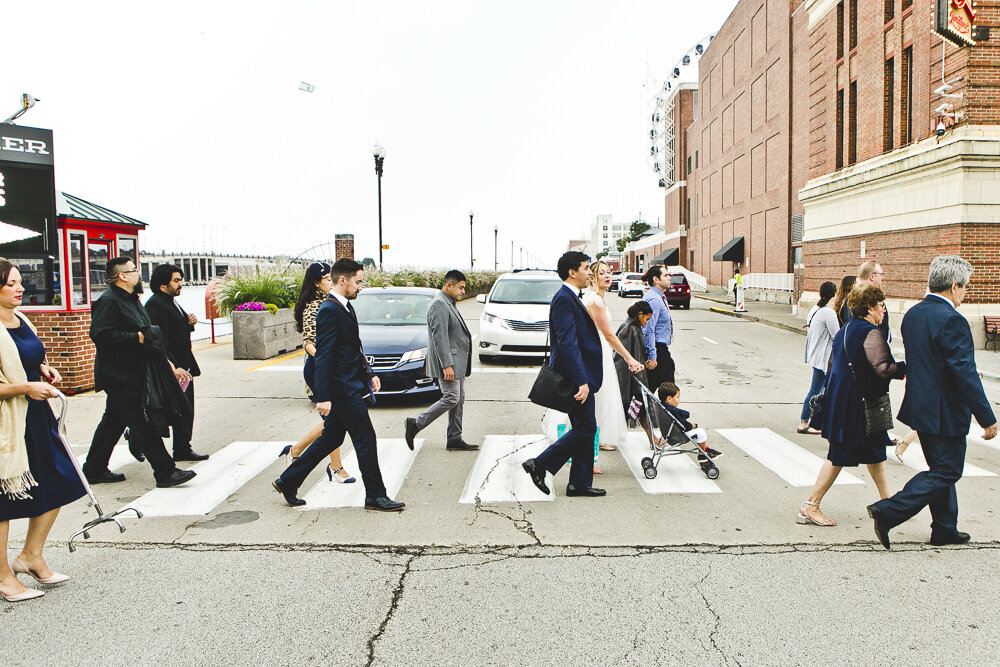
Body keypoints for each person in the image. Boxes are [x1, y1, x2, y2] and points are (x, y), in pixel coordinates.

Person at [868, 256, 998, 549]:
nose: (966, 292)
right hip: (945, 411)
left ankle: (944, 528)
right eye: (965, 287)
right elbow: (964, 374)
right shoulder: (953, 320)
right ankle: (888, 511)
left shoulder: (914, 314)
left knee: (941, 468)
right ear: (954, 287)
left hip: (921, 406)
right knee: (948, 471)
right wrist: (986, 418)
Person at [272, 259, 404, 511]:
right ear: (342, 280)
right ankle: (375, 496)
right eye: (358, 282)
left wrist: (370, 373)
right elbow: (323, 355)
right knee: (365, 439)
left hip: (350, 384)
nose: (360, 287)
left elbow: (353, 347)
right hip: (342, 389)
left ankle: (288, 480)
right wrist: (323, 396)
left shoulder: (344, 307)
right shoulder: (329, 311)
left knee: (330, 437)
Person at [0, 259, 85, 602]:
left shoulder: (21, 319)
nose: (21, 288)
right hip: (8, 424)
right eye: (11, 283)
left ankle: (31, 556)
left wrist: (44, 371)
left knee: (62, 479)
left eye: (20, 282)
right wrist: (24, 387)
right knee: (3, 502)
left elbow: (28, 360)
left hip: (36, 415)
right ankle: (4, 577)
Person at [81, 257, 195, 489]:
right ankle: (165, 471)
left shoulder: (131, 300)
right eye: (134, 271)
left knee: (113, 421)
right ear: (122, 275)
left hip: (134, 371)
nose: (139, 274)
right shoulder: (109, 302)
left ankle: (93, 468)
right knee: (142, 422)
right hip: (120, 375)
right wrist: (138, 338)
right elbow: (101, 336)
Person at [798, 285, 905, 527]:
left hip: (844, 399)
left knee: (875, 451)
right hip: (857, 404)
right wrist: (908, 368)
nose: (884, 310)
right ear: (869, 307)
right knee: (839, 455)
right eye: (881, 306)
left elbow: (832, 365)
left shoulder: (846, 329)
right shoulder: (871, 332)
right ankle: (810, 505)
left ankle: (888, 504)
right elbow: (883, 368)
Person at [521, 251, 606, 498]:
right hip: (575, 377)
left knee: (584, 426)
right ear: (572, 272)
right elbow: (567, 343)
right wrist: (582, 381)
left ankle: (579, 483)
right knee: (587, 427)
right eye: (586, 267)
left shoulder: (569, 297)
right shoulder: (563, 299)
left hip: (580, 374)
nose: (589, 272)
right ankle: (540, 464)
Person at [278, 262, 355, 483]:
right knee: (336, 420)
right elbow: (309, 343)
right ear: (316, 283)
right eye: (327, 279)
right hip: (320, 368)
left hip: (332, 368)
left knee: (335, 421)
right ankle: (335, 466)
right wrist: (327, 362)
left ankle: (296, 450)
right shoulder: (314, 307)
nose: (331, 282)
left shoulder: (333, 302)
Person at [581, 260, 644, 473]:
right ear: (593, 277)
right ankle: (589, 457)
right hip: (596, 354)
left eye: (610, 272)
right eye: (603, 273)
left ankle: (595, 444)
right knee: (598, 403)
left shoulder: (599, 299)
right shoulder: (594, 301)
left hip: (601, 354)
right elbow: (608, 335)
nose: (608, 276)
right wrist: (629, 358)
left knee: (602, 401)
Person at [404, 270, 477, 452]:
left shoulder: (448, 302)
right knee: (452, 397)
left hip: (456, 361)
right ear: (449, 285)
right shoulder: (439, 304)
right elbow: (440, 338)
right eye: (460, 288)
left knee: (459, 399)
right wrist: (447, 365)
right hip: (449, 362)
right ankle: (416, 423)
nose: (462, 292)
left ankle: (454, 438)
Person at [144, 264, 208, 462]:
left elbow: (173, 331)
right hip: (172, 367)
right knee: (172, 409)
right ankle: (139, 438)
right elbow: (158, 338)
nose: (181, 284)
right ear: (163, 284)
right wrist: (172, 365)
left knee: (185, 409)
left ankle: (182, 448)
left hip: (183, 365)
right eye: (176, 281)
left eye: (180, 280)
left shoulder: (171, 302)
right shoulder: (156, 304)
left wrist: (189, 324)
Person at [614, 301, 660, 448]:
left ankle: (653, 439)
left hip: (632, 377)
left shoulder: (631, 327)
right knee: (636, 408)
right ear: (640, 314)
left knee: (638, 408)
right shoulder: (630, 329)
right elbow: (620, 359)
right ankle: (653, 439)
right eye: (646, 319)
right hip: (629, 379)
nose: (646, 323)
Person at [798, 281, 838, 434]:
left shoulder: (815, 309)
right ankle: (803, 422)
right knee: (816, 389)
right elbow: (837, 336)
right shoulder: (828, 312)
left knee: (822, 390)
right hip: (824, 358)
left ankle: (818, 420)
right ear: (833, 294)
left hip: (816, 354)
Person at [656, 382, 722, 460]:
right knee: (700, 432)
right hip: (676, 436)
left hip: (669, 433)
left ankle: (705, 451)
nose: (679, 400)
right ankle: (704, 452)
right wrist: (692, 426)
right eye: (678, 397)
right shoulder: (673, 411)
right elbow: (684, 425)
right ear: (669, 399)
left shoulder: (662, 407)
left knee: (698, 432)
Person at [641, 264, 675, 387]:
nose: (669, 278)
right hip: (657, 350)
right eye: (665, 275)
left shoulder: (659, 296)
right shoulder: (654, 299)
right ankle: (636, 407)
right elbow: (648, 329)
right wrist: (652, 356)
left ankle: (667, 405)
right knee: (647, 390)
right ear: (656, 280)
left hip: (662, 350)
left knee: (668, 388)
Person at [843, 260, 891, 340]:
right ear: (872, 277)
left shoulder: (852, 296)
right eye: (881, 274)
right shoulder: (863, 298)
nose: (882, 277)